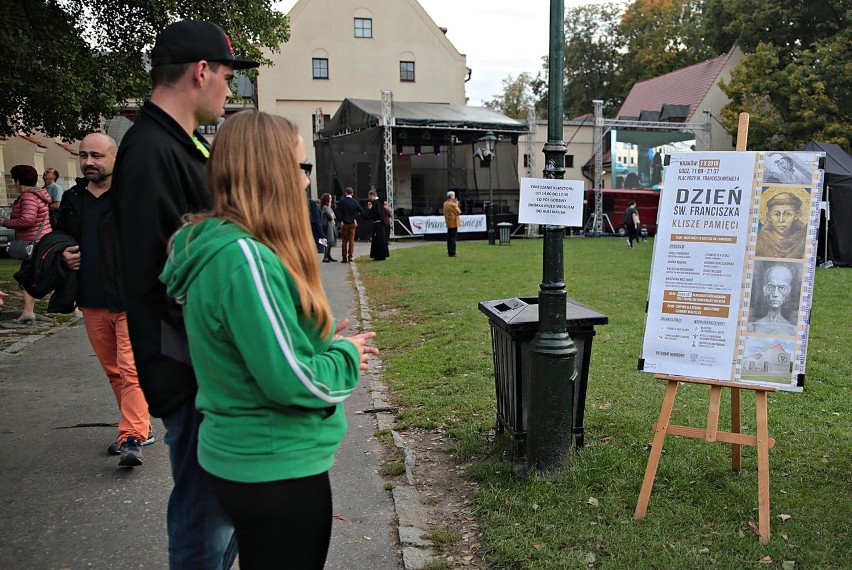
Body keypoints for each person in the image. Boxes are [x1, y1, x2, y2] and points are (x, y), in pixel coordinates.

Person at [160, 110, 377, 570]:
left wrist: (304, 334)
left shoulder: (219, 245)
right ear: (274, 172)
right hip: (275, 466)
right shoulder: (244, 257)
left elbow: (243, 346)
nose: (304, 180)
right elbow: (293, 380)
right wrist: (345, 354)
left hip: (247, 461)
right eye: (302, 168)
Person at [111, 19, 259, 569]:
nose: (229, 88)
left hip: (199, 365)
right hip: (192, 368)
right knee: (206, 522)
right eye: (226, 75)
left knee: (223, 515)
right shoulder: (152, 149)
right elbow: (160, 277)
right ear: (201, 71)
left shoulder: (170, 144)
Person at [56, 133, 153, 466]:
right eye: (83, 156)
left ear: (115, 158)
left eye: (96, 156)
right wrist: (63, 256)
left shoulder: (133, 196)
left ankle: (131, 436)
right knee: (114, 371)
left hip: (130, 299)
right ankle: (141, 426)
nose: (88, 162)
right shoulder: (72, 199)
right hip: (91, 300)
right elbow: (61, 239)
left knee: (131, 369)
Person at [0, 165, 53, 324]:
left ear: (17, 181)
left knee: (28, 276)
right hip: (40, 240)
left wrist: (6, 222)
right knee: (35, 275)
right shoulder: (38, 195)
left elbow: (27, 220)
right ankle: (29, 312)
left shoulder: (28, 197)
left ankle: (29, 312)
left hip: (33, 242)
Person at [747, 264, 798, 335]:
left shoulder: (793, 330)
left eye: (781, 288)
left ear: (788, 291)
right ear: (764, 289)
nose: (775, 294)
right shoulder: (752, 327)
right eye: (771, 287)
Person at [755, 191, 807, 259]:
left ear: (797, 215)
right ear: (769, 216)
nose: (781, 220)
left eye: (788, 214)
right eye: (776, 214)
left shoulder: (803, 240)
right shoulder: (761, 241)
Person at [335, 186, 363, 263]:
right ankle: (350, 257)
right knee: (351, 240)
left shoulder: (342, 202)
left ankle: (344, 258)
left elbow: (336, 211)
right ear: (352, 193)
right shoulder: (355, 202)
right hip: (352, 223)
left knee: (344, 241)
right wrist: (355, 218)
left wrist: (340, 220)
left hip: (344, 223)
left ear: (345, 193)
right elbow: (362, 212)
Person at [366, 190, 389, 260]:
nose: (369, 198)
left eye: (369, 196)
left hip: (378, 224)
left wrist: (370, 210)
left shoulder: (376, 203)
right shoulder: (379, 203)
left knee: (378, 240)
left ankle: (379, 255)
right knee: (379, 239)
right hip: (380, 224)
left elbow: (375, 214)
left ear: (372, 195)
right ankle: (380, 255)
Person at [320, 193, 338, 262]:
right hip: (326, 226)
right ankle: (325, 256)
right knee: (326, 241)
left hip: (331, 225)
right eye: (330, 198)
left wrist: (332, 215)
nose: (331, 200)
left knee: (330, 241)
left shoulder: (329, 207)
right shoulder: (325, 207)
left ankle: (329, 255)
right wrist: (332, 215)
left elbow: (334, 216)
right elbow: (331, 217)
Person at [443, 191, 461, 257]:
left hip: (448, 222)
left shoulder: (445, 203)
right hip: (453, 222)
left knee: (449, 238)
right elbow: (459, 212)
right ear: (451, 196)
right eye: (454, 196)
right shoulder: (452, 204)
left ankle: (450, 252)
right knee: (453, 238)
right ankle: (453, 252)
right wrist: (456, 204)